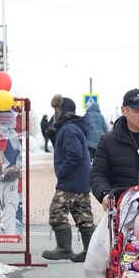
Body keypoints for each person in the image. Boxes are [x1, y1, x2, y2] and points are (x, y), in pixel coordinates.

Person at [42, 97, 95, 262]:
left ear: (62, 111)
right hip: (81, 181)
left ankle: (64, 249)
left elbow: (74, 153)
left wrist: (62, 172)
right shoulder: (73, 128)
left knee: (56, 213)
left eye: (56, 110)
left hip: (70, 181)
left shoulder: (68, 129)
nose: (54, 114)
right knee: (83, 216)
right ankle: (90, 252)